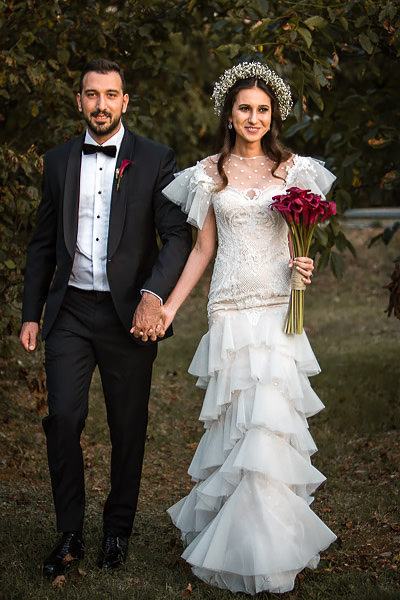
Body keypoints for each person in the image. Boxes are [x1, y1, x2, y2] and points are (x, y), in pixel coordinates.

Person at [157, 62, 337, 594]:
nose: (253, 117)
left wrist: (304, 266)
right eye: (244, 108)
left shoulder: (294, 171)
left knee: (270, 423)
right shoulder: (210, 173)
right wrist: (169, 306)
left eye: (262, 109)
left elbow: (299, 245)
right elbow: (202, 251)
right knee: (238, 424)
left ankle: (275, 539)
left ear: (273, 114)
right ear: (229, 114)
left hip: (279, 304)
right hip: (229, 307)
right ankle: (234, 534)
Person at [19, 58, 192, 577]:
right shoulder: (56, 161)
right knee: (64, 419)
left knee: (128, 426)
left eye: (110, 95)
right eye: (91, 95)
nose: (101, 104)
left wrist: (153, 295)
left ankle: (116, 532)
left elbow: (177, 236)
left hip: (128, 314)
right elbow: (42, 244)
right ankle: (69, 531)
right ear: (79, 101)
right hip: (69, 311)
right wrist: (32, 313)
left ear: (124, 102)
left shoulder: (157, 159)